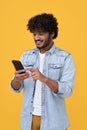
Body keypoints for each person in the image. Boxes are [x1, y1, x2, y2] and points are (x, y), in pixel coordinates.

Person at [10, 13, 75, 130]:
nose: (36, 38)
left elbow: (67, 90)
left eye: (41, 34)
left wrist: (44, 79)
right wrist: (17, 79)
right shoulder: (26, 55)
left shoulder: (65, 57)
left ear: (52, 33)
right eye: (34, 34)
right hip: (28, 119)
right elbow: (16, 88)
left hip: (54, 121)